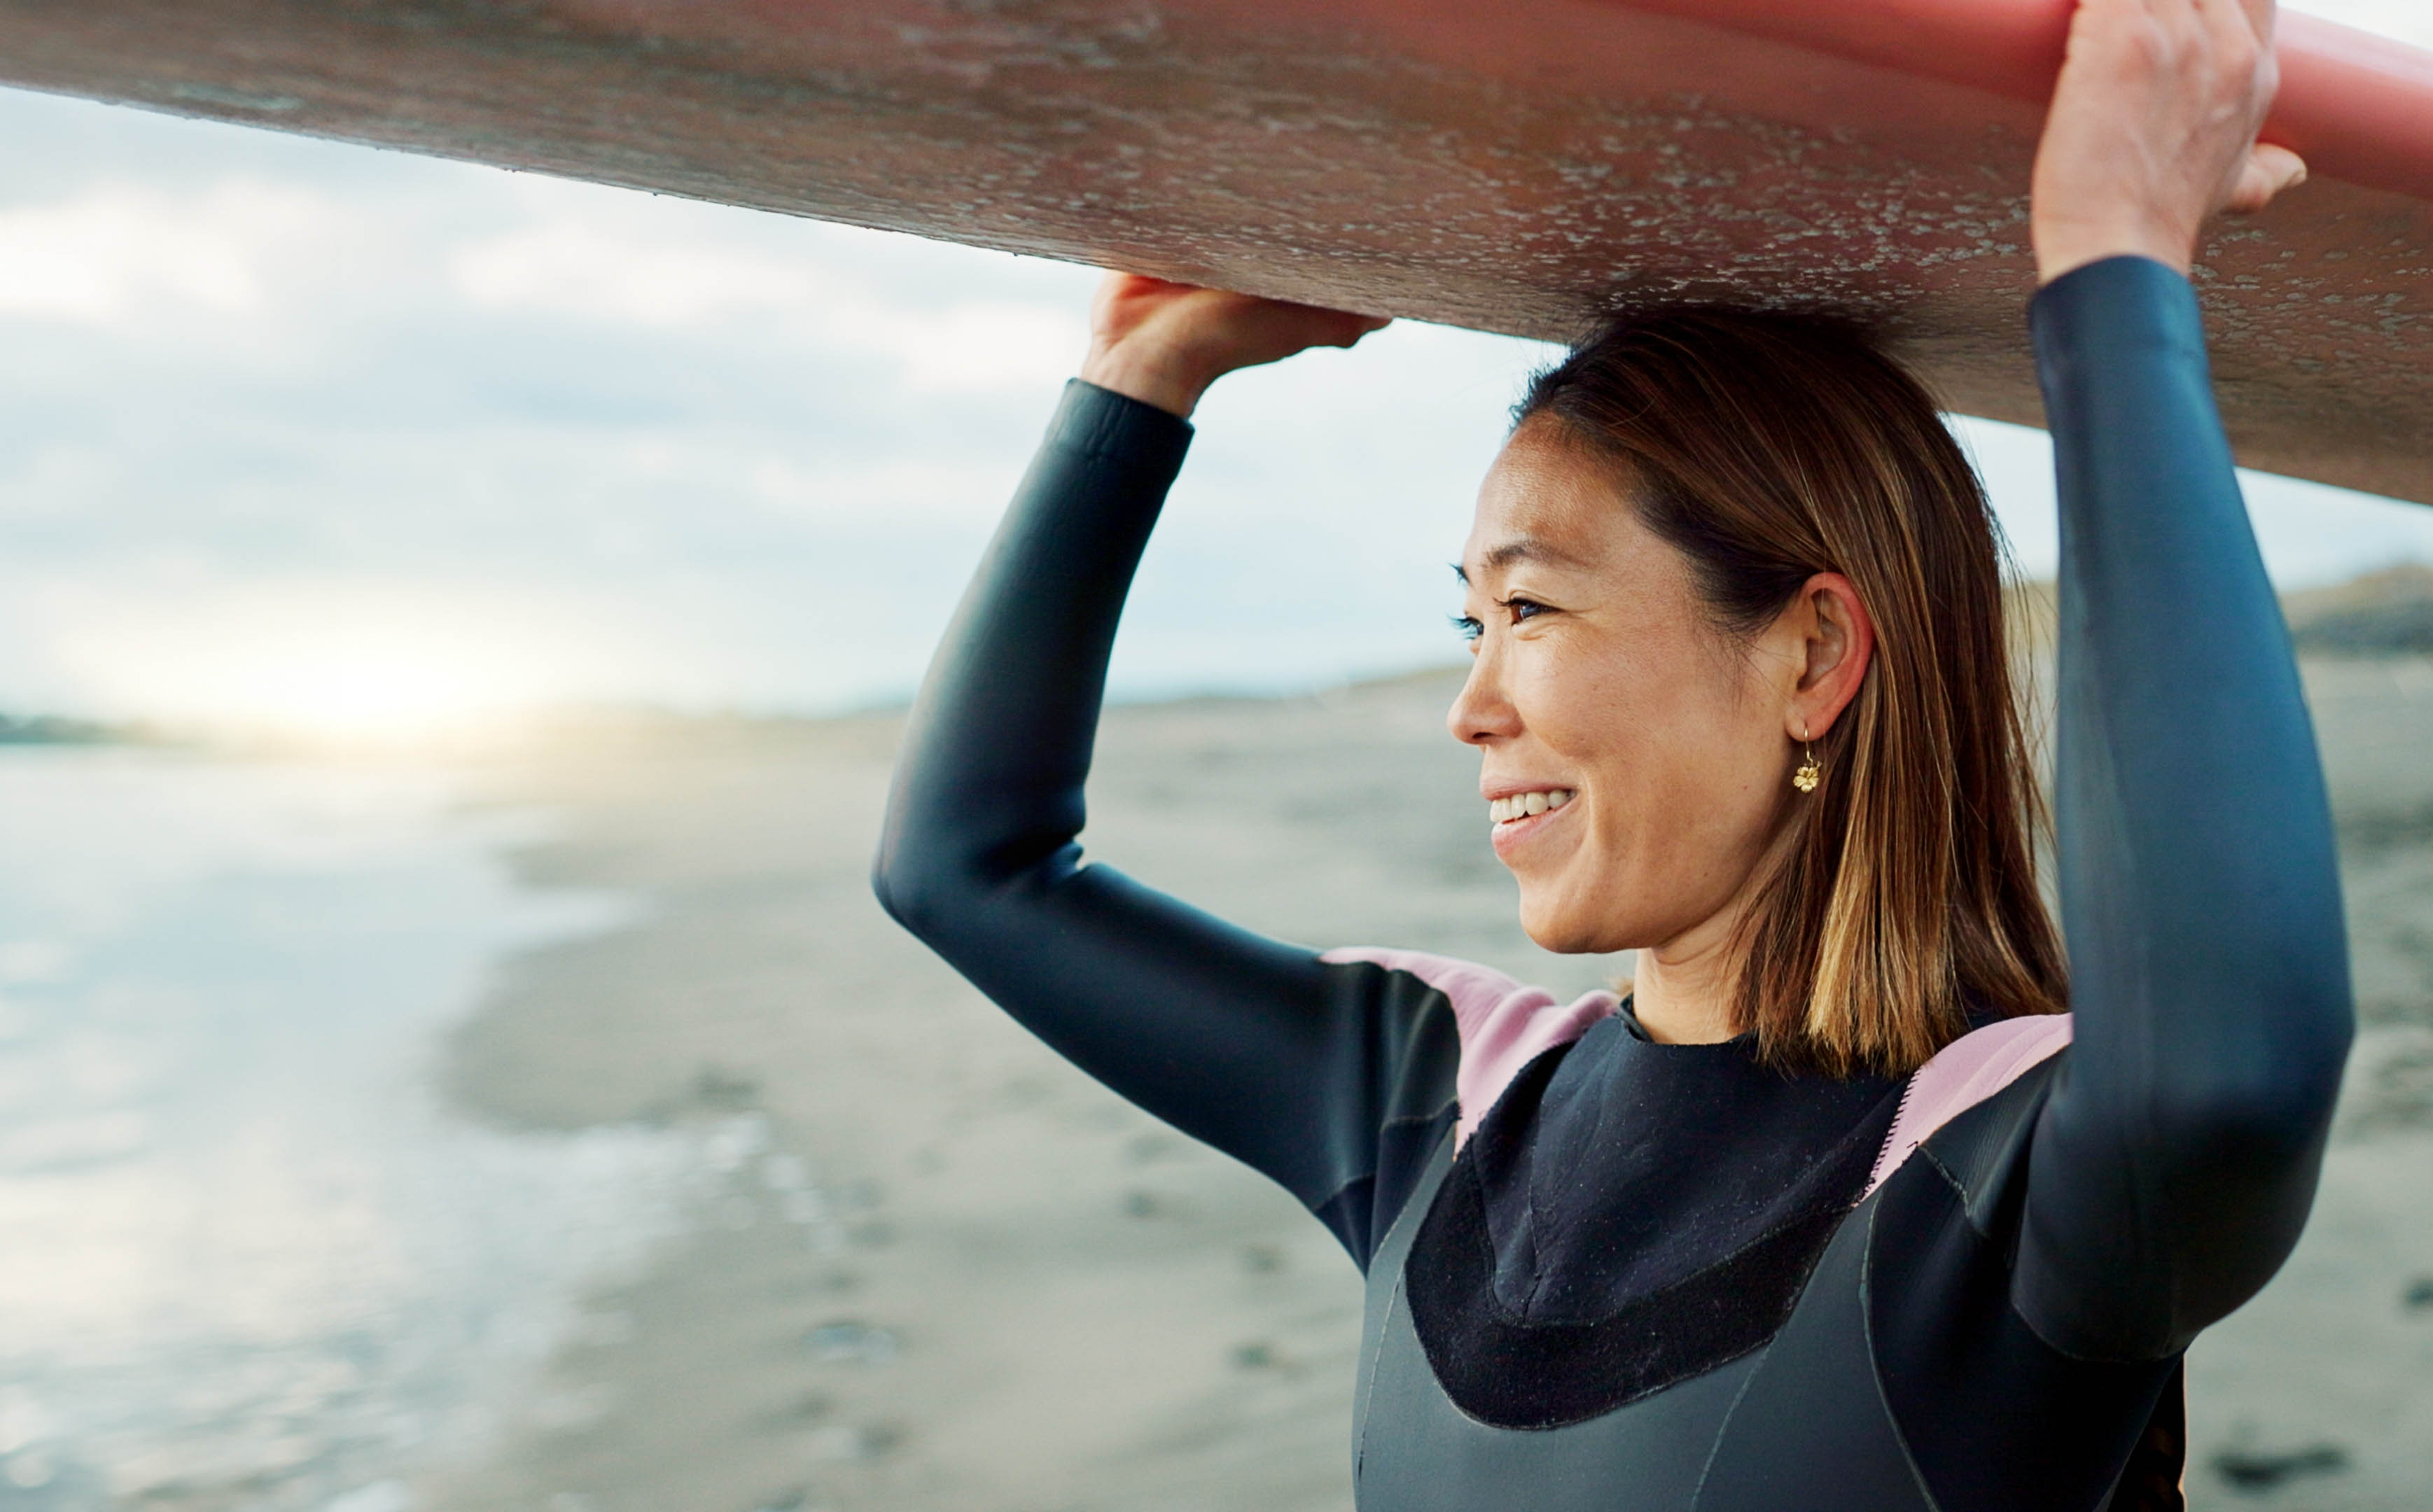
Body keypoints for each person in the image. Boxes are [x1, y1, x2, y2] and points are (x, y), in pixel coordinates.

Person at [873, 0, 2352, 1502]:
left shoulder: (2005, 1164)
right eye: (1472, 626)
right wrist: (1137, 385)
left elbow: (2228, 1070)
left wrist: (2113, 275)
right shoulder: (1439, 1097)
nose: (1475, 705)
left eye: (1532, 606)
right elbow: (964, 872)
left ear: (1814, 656)